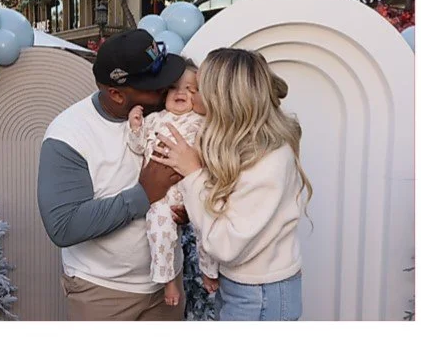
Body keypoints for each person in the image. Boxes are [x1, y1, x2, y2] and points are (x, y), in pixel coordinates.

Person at [37, 29, 188, 322]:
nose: (167, 91)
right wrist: (143, 195)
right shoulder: (68, 135)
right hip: (103, 292)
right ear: (117, 94)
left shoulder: (168, 114)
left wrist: (187, 209)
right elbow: (63, 226)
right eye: (155, 88)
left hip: (167, 283)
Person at [153, 47, 312, 322]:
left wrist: (192, 174)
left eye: (197, 88)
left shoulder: (268, 160)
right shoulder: (238, 146)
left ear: (221, 99)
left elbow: (226, 244)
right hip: (246, 288)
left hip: (260, 295)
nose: (189, 95)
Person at [126, 62, 217, 310]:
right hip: (161, 196)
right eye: (174, 88)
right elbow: (136, 146)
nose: (181, 93)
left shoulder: (202, 121)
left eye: (190, 89)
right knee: (159, 229)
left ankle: (209, 271)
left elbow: (213, 148)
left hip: (193, 185)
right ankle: (168, 280)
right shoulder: (154, 120)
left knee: (206, 227)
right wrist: (135, 127)